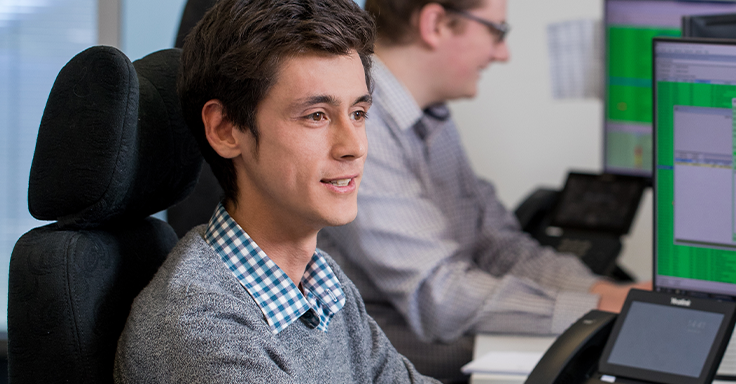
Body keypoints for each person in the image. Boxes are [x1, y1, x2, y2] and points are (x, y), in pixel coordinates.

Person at [317, 0, 650, 380]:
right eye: (497, 32)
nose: (502, 53)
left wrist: (606, 292)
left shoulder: (429, 115)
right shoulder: (363, 129)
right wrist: (599, 307)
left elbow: (499, 247)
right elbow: (439, 295)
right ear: (435, 23)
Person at [114, 0, 437, 382]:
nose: (354, 147)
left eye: (358, 114)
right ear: (225, 129)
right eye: (316, 116)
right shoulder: (200, 331)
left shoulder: (321, 284)